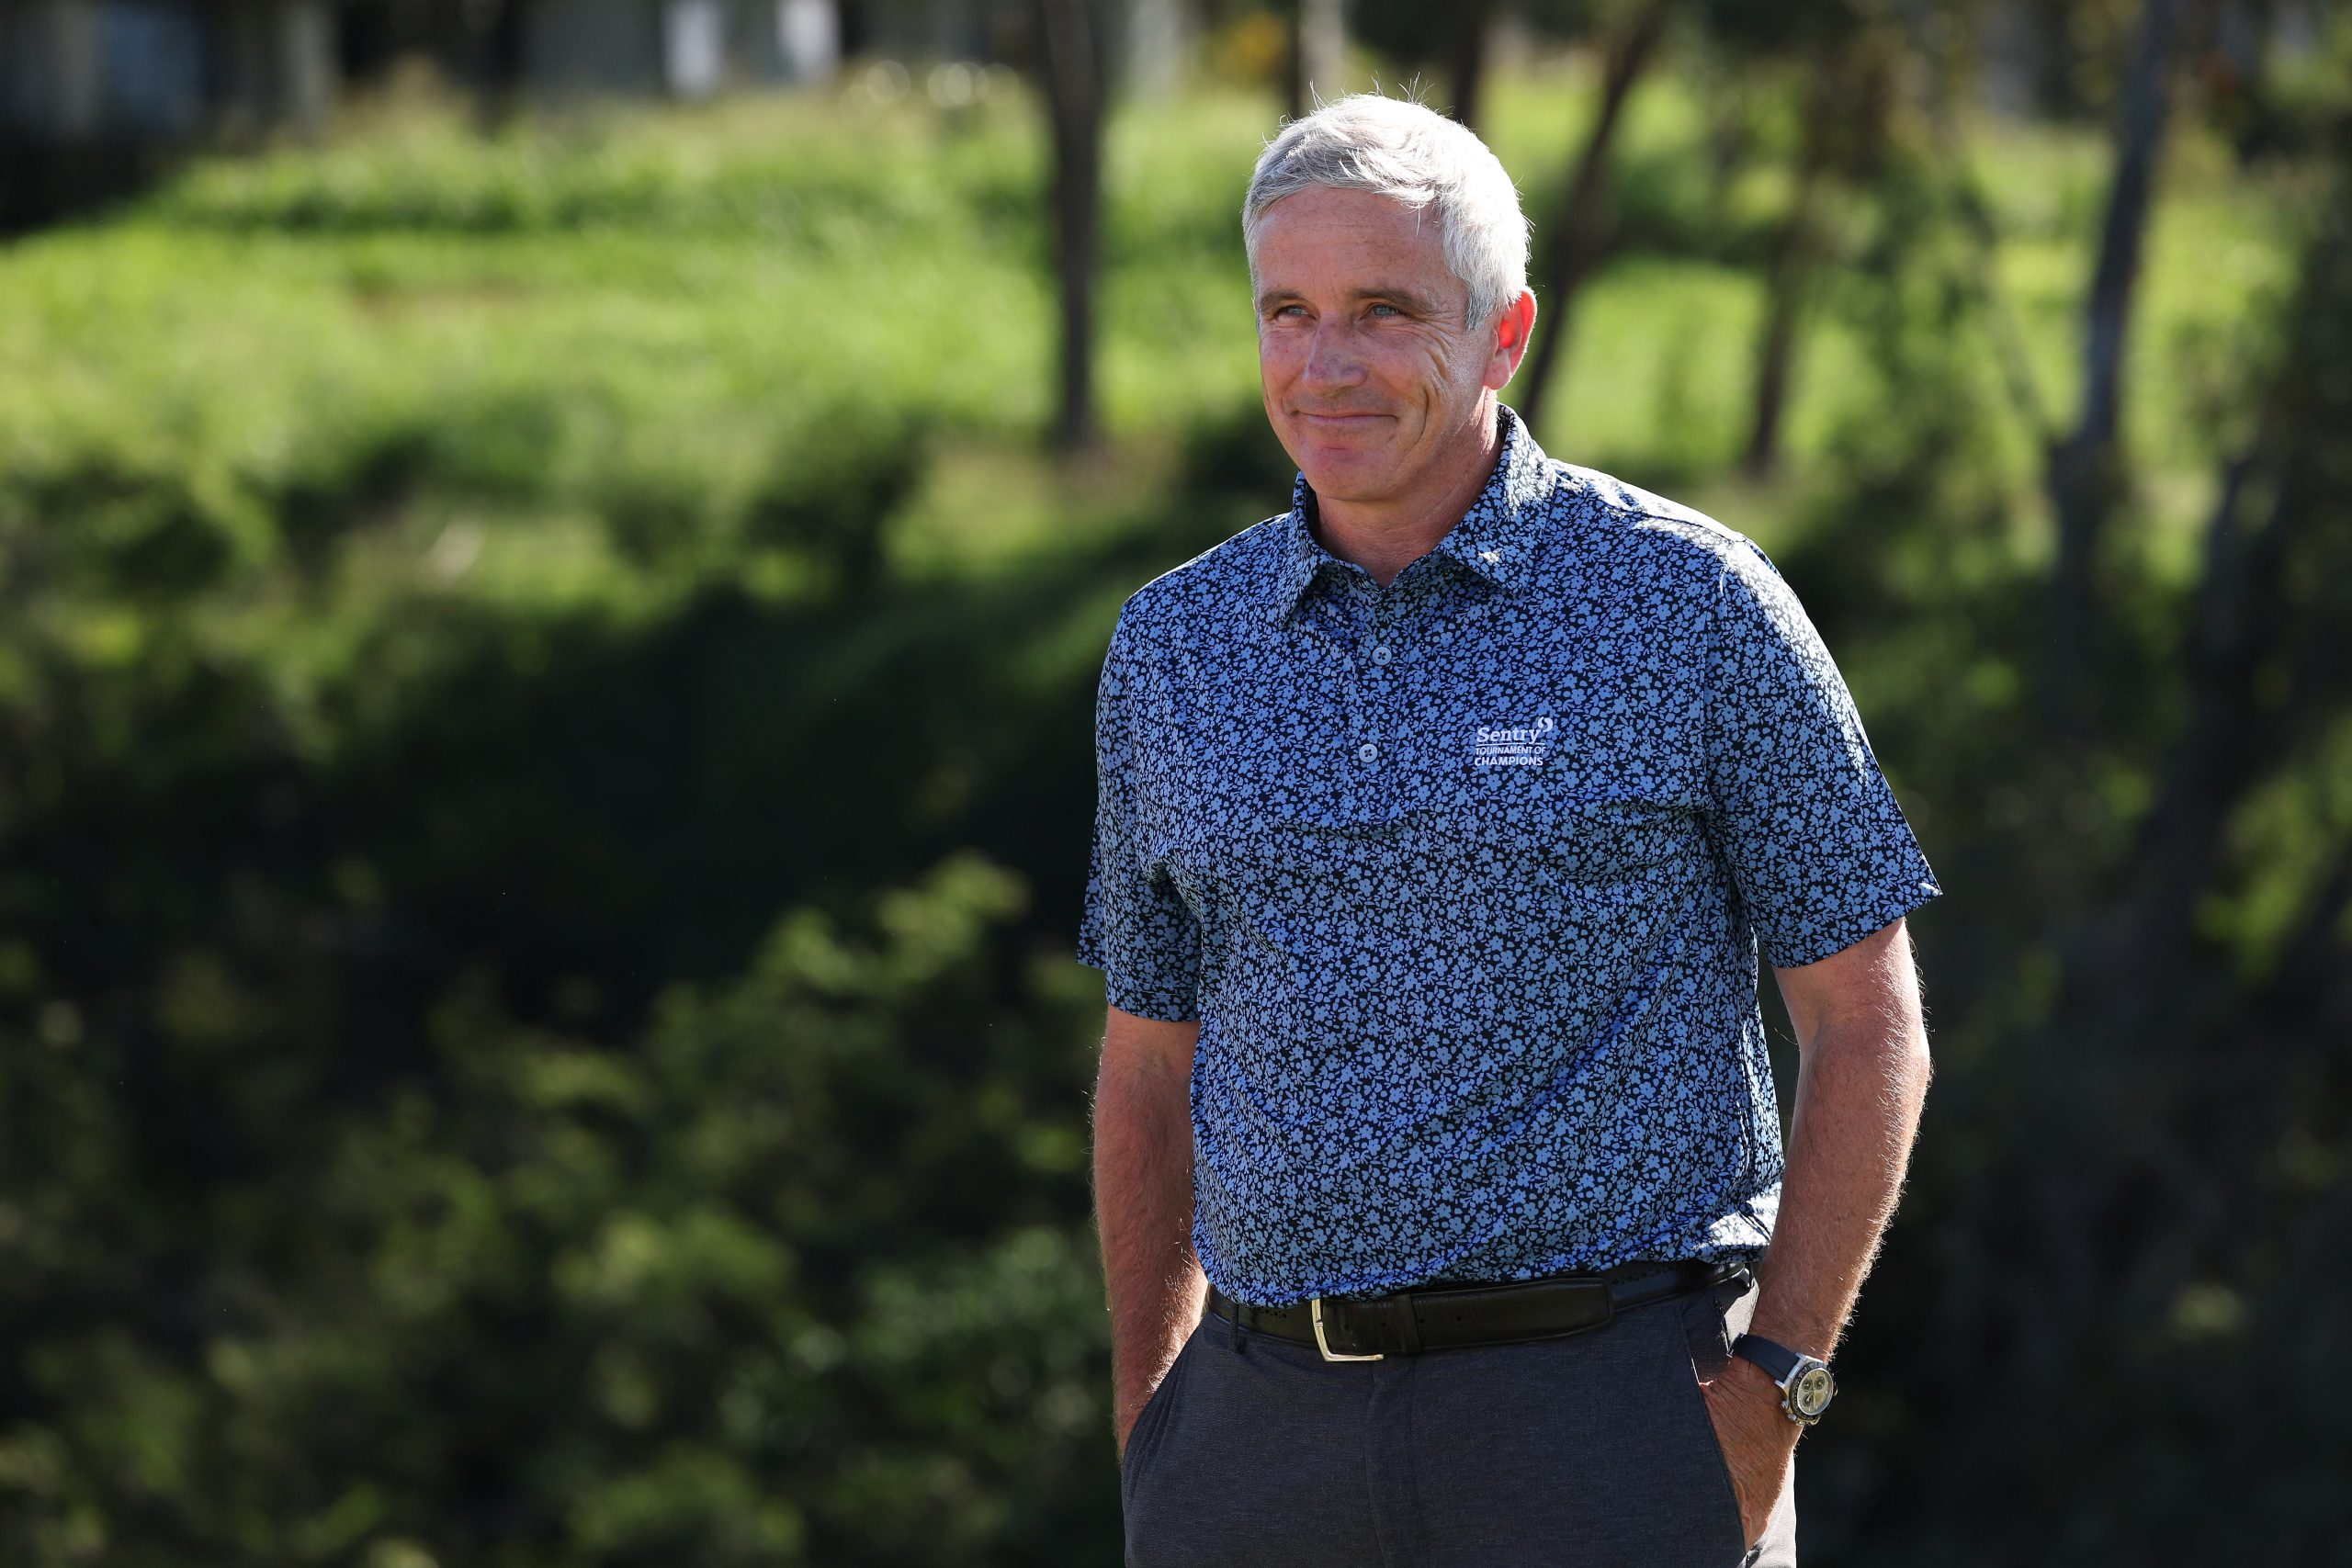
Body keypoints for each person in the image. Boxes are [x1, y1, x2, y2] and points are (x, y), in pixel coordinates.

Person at [1078, 93, 1939, 1568]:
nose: (1325, 362)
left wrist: (1773, 1392)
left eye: (1386, 311)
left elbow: (1867, 1026)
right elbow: (1149, 1059)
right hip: (1258, 1436)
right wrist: (1153, 1423)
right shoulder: (1173, 648)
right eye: (1288, 310)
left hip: (1612, 1419)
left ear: (1504, 333)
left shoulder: (1692, 606)